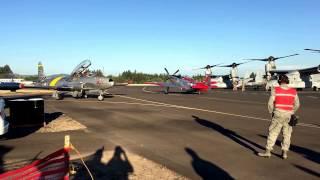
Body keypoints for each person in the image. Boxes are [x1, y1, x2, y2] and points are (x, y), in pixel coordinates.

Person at [258, 74, 300, 159]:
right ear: (287, 81)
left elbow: (270, 103)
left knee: (273, 132)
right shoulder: (293, 91)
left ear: (279, 81)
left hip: (278, 113)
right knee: (287, 134)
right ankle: (284, 153)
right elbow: (297, 104)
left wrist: (271, 112)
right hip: (289, 114)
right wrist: (292, 111)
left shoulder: (275, 90)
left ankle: (268, 151)